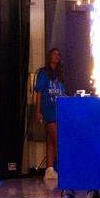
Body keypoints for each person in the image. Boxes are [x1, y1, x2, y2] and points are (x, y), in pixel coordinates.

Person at [33, 48, 66, 182]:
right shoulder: (43, 73)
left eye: (58, 54)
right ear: (49, 57)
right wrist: (38, 110)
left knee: (51, 140)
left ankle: (50, 169)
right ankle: (62, 167)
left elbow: (62, 91)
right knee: (57, 137)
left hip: (59, 108)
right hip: (49, 108)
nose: (56, 56)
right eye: (54, 54)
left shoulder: (59, 74)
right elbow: (39, 92)